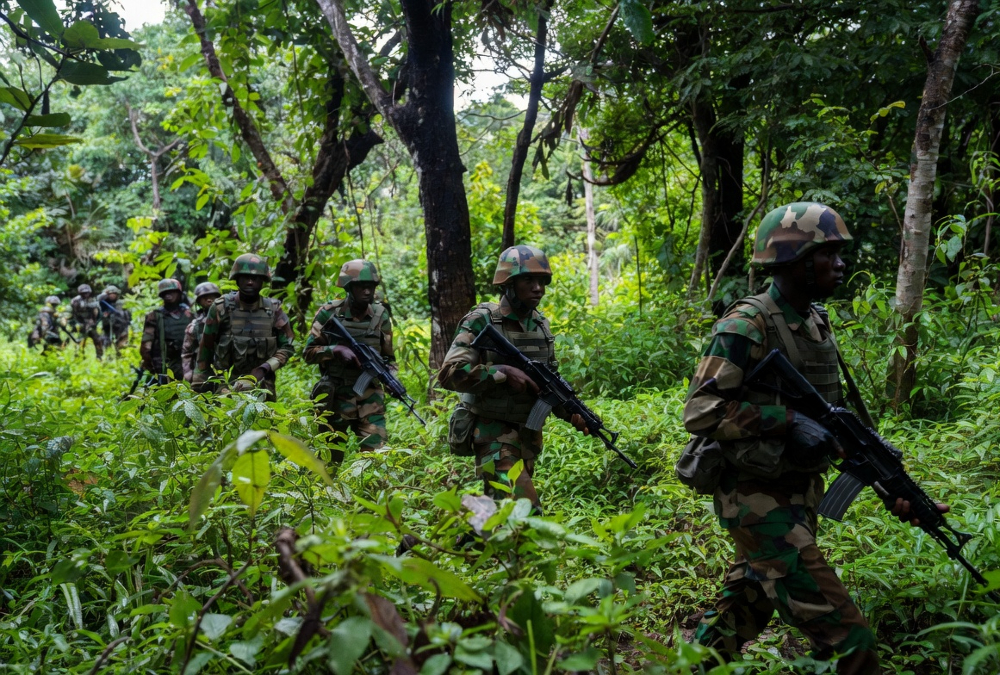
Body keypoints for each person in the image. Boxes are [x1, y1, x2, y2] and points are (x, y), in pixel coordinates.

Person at [683, 202, 946, 674]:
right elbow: (701, 411)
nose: (841, 263)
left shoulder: (815, 321)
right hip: (756, 499)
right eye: (831, 254)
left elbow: (837, 423)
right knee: (851, 641)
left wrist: (893, 488)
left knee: (743, 608)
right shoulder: (746, 324)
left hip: (799, 492)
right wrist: (783, 420)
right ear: (800, 260)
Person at [437, 245, 588, 510]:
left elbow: (546, 383)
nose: (538, 288)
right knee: (526, 514)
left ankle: (427, 544)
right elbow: (450, 374)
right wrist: (501, 373)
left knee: (496, 515)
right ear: (507, 283)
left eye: (542, 281)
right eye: (528, 280)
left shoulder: (541, 326)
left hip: (526, 439)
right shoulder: (482, 320)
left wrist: (571, 412)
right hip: (492, 435)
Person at [303, 260, 395, 458]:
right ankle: (326, 490)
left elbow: (389, 357)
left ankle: (370, 489)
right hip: (336, 396)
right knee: (329, 459)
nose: (367, 291)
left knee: (375, 458)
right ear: (348, 287)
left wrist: (391, 379)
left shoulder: (381, 315)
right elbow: (308, 353)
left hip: (370, 397)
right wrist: (335, 350)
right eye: (361, 286)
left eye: (371, 286)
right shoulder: (328, 313)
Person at [191, 254, 295, 400]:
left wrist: (264, 368)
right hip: (225, 388)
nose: (250, 282)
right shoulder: (221, 307)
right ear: (237, 279)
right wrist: (199, 386)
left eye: (256, 278)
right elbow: (205, 350)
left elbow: (288, 346)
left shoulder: (274, 309)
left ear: (263, 281)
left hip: (263, 388)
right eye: (245, 278)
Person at [139, 279, 194, 382]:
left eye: (171, 292)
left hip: (187, 363)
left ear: (178, 293)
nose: (168, 295)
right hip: (164, 364)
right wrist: (152, 366)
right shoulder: (155, 316)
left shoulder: (189, 314)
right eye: (165, 293)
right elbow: (146, 345)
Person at [182, 282, 222, 383]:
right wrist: (188, 372)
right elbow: (187, 352)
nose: (209, 299)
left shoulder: (227, 319)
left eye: (212, 296)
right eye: (204, 297)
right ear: (199, 301)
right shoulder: (195, 325)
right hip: (203, 373)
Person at [70, 283, 103, 359]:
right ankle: (79, 356)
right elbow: (72, 313)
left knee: (97, 339)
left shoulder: (92, 300)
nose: (86, 294)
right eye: (84, 293)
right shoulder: (75, 301)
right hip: (80, 323)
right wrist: (76, 323)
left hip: (90, 323)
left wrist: (94, 322)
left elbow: (97, 313)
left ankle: (99, 356)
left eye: (87, 293)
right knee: (80, 341)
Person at [97, 285, 132, 355]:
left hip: (121, 326)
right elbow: (98, 300)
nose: (112, 296)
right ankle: (107, 357)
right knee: (105, 342)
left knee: (121, 344)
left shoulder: (122, 303)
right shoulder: (103, 303)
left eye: (114, 294)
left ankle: (120, 356)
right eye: (110, 294)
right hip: (107, 326)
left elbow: (129, 314)